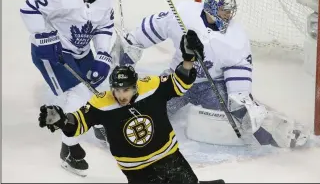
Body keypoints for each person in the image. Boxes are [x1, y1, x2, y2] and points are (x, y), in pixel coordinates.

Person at [118, 0, 309, 148]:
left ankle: (277, 134)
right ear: (211, 7)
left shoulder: (236, 37)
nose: (229, 15)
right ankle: (116, 127)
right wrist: (131, 46)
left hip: (210, 85)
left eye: (230, 11)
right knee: (154, 108)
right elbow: (155, 27)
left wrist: (240, 101)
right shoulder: (184, 14)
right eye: (224, 10)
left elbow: (239, 70)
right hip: (178, 78)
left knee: (243, 115)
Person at [38, 32, 224, 183]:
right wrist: (63, 120)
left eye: (126, 89)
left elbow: (180, 83)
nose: (121, 95)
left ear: (135, 86)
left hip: (170, 158)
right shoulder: (101, 104)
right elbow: (78, 123)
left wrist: (189, 59)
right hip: (137, 171)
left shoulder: (151, 87)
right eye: (117, 90)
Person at [20, 0, 116, 176]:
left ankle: (98, 122)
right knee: (78, 95)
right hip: (53, 53)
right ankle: (68, 149)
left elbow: (105, 26)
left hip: (81, 52)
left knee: (102, 87)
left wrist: (102, 53)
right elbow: (28, 8)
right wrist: (42, 36)